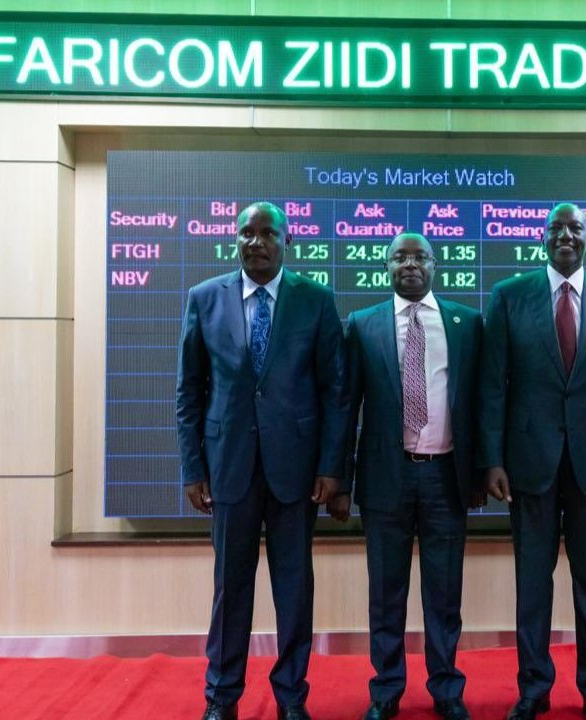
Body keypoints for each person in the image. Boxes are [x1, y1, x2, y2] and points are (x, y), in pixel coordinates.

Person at [176, 201, 345, 720]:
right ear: (236, 239)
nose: (256, 242)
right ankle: (221, 696)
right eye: (246, 233)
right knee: (231, 588)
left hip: (297, 471)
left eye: (267, 233)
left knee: (294, 590)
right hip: (229, 467)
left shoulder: (315, 300)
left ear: (287, 240)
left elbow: (335, 390)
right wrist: (193, 468)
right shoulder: (205, 298)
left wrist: (331, 468)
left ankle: (291, 697)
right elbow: (189, 391)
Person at [479, 203, 586, 720]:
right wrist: (492, 459)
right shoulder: (509, 296)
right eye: (556, 228)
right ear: (542, 237)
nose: (565, 235)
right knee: (533, 581)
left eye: (576, 228)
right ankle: (533, 687)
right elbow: (492, 386)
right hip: (528, 463)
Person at [332, 233, 483, 720]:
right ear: (387, 266)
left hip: (446, 476)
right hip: (386, 478)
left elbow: (481, 403)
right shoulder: (363, 324)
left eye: (420, 257)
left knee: (445, 593)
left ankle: (446, 689)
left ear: (435, 265)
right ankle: (386, 690)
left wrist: (481, 472)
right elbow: (345, 407)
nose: (410, 265)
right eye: (400, 257)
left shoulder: (466, 323)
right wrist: (340, 480)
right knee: (386, 592)